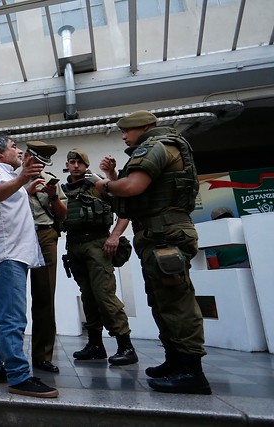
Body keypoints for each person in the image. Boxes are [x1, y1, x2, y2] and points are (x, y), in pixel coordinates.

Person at [94, 110, 211, 394]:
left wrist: (104, 184)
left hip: (165, 233)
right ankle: (175, 361)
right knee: (162, 300)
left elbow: (132, 186)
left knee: (175, 301)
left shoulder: (157, 146)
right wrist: (112, 176)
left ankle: (191, 371)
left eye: (128, 130)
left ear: (145, 127)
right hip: (157, 233)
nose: (124, 135)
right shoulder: (162, 147)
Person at [0, 136, 58, 398]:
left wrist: (26, 187)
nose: (19, 150)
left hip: (4, 254)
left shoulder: (7, 176)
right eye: (13, 147)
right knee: (13, 318)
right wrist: (22, 179)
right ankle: (19, 376)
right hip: (6, 255)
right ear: (0, 153)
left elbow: (5, 202)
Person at [61, 148, 138, 366]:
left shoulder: (98, 185)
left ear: (86, 166)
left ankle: (126, 346)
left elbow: (125, 210)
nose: (75, 166)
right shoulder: (62, 189)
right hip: (74, 245)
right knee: (88, 296)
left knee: (104, 294)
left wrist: (114, 236)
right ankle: (95, 345)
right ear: (67, 165)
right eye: (72, 162)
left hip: (98, 244)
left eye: (80, 162)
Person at [22, 141, 67, 374]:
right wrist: (25, 190)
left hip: (44, 235)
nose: (38, 167)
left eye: (42, 163)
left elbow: (63, 214)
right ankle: (9, 356)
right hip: (18, 237)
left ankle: (42, 355)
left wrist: (53, 197)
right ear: (26, 158)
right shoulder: (10, 179)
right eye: (34, 161)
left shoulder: (51, 180)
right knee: (12, 299)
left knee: (44, 296)